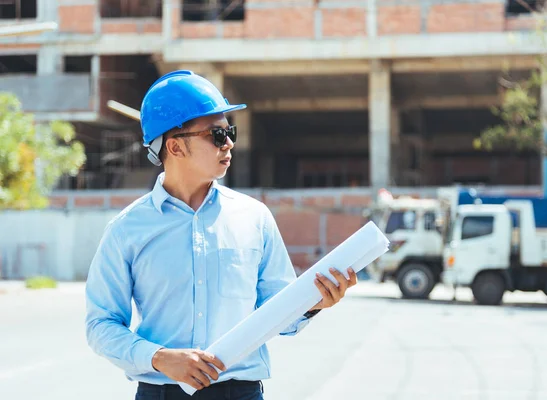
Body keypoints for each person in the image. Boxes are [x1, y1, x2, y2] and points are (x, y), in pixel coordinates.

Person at [85, 70, 357, 400]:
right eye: (216, 134)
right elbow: (101, 325)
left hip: (241, 392)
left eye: (230, 131)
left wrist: (314, 303)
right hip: (161, 392)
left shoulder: (254, 218)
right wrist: (159, 358)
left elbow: (279, 315)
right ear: (175, 146)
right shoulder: (126, 230)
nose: (229, 143)